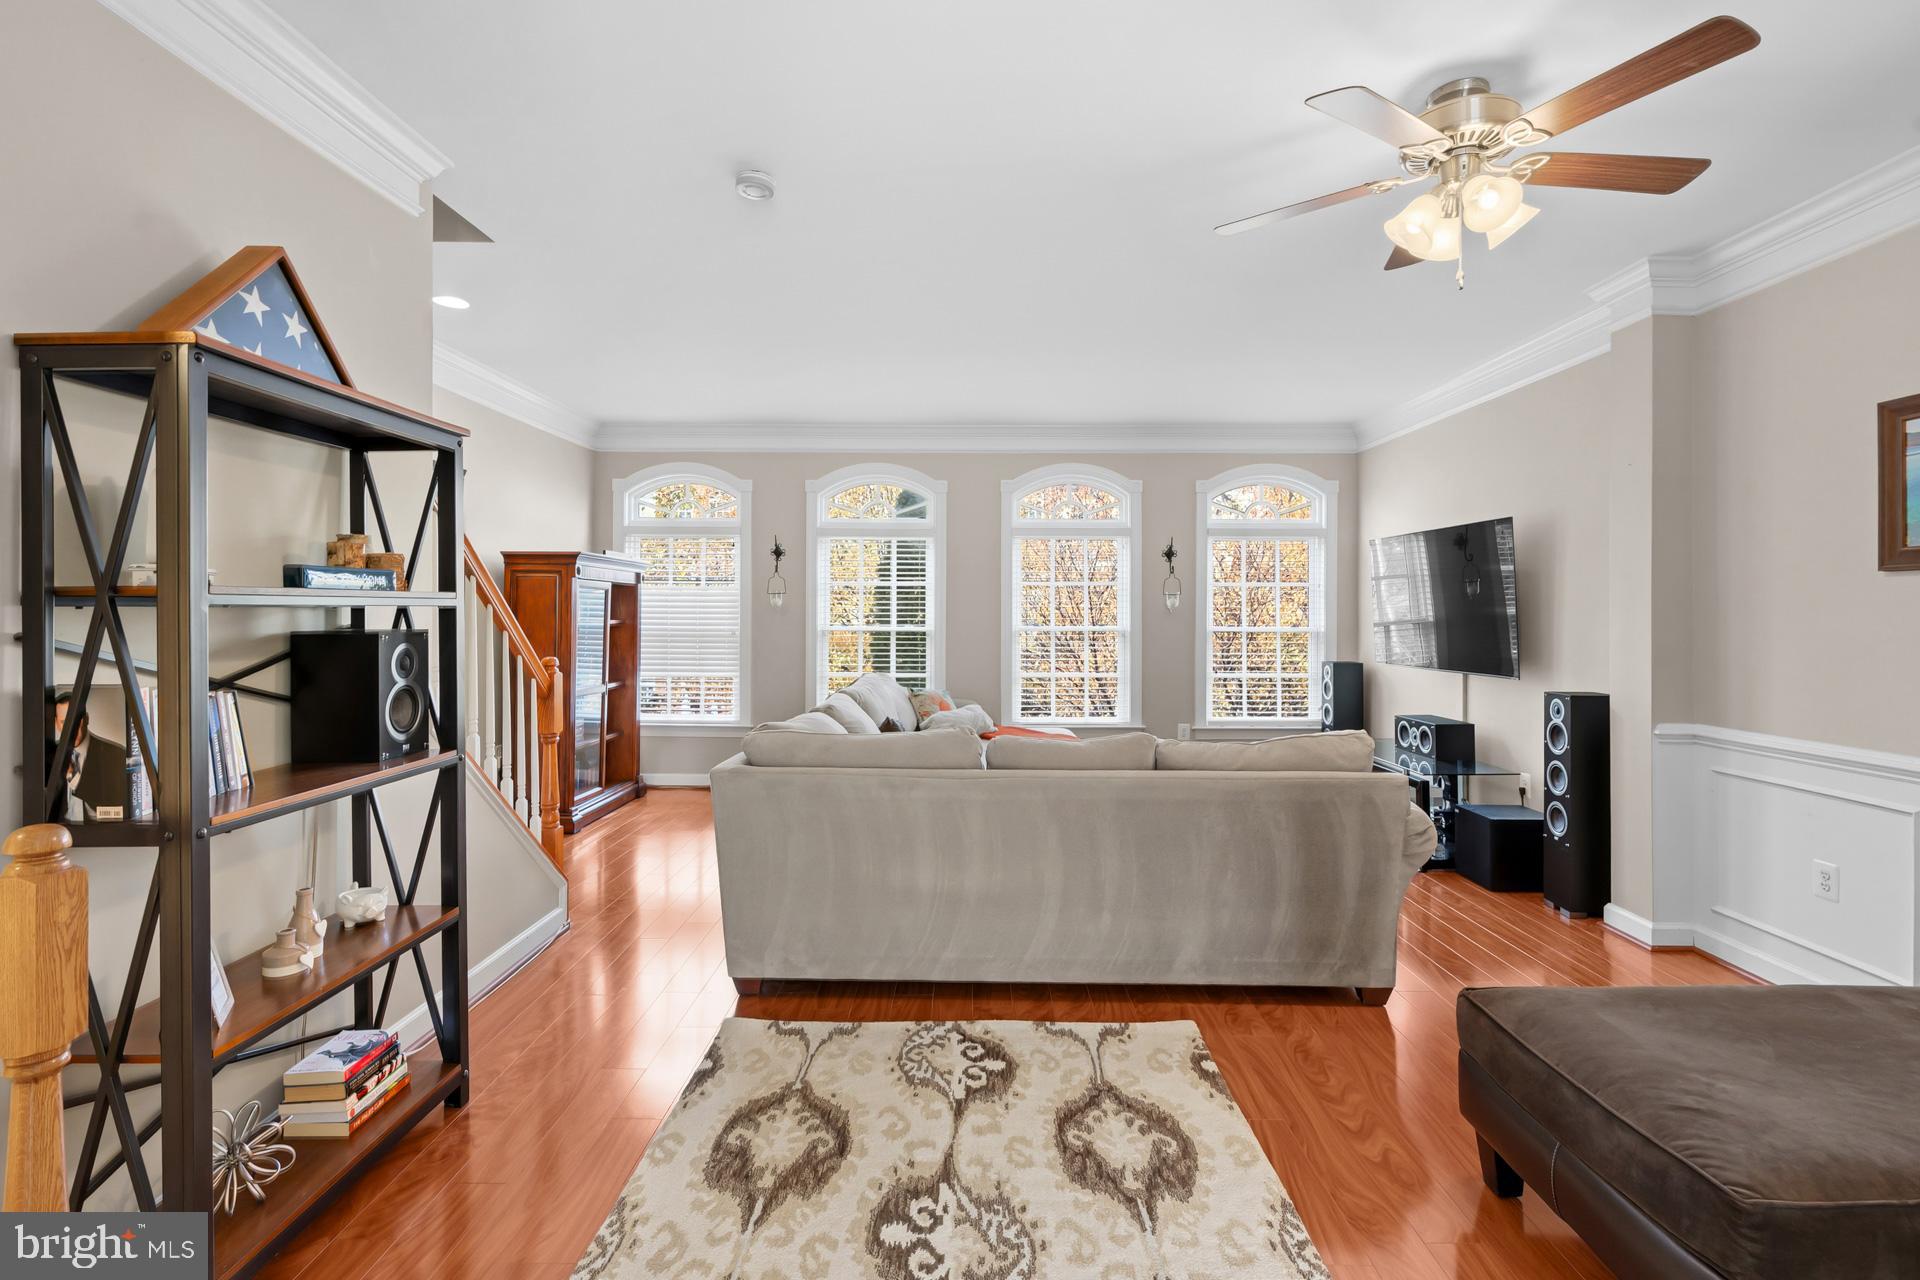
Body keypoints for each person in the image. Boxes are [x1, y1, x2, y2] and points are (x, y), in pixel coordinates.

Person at [51, 690, 128, 821]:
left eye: (76, 721)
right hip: (60, 831)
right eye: (64, 722)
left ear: (86, 719)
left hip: (101, 830)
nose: (71, 729)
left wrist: (72, 776)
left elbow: (119, 806)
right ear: (56, 724)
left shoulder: (115, 754)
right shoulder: (50, 753)